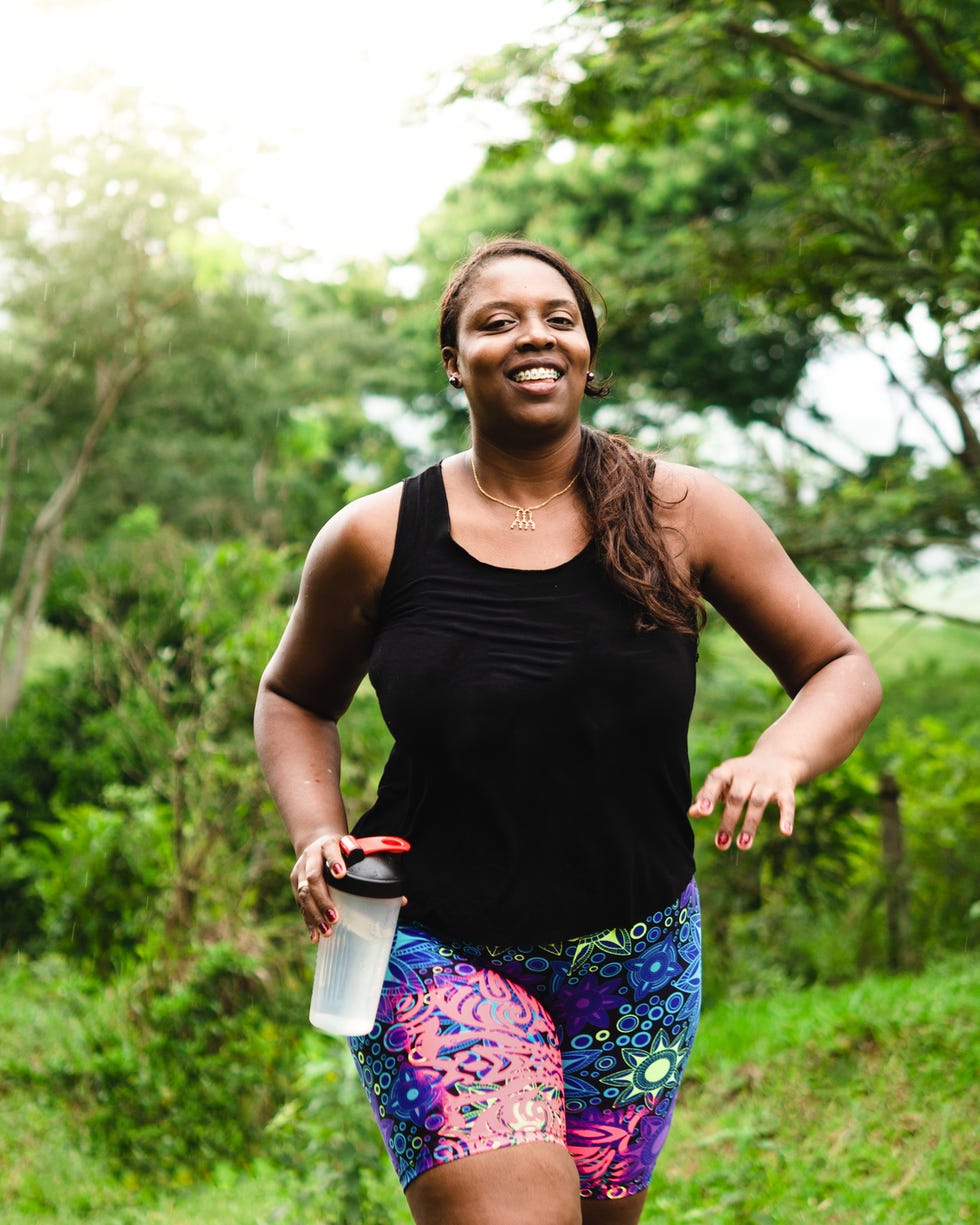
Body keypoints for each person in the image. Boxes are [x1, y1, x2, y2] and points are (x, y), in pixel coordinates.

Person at [254, 238, 882, 1225]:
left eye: (557, 315)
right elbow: (294, 696)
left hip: (638, 953)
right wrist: (312, 830)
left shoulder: (683, 512)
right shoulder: (375, 537)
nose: (531, 334)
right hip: (428, 940)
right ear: (453, 362)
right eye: (494, 321)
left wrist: (779, 753)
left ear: (587, 351)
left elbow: (837, 667)